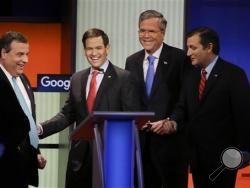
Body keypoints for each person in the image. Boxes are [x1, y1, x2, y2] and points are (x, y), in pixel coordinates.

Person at [38, 28, 139, 188]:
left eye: (98, 48)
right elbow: (67, 114)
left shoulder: (124, 78)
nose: (94, 53)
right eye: (89, 48)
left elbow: (131, 120)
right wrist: (40, 129)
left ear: (107, 48)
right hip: (79, 159)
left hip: (111, 159)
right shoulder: (77, 78)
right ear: (84, 50)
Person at [164, 26, 250, 187]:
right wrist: (172, 121)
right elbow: (182, 106)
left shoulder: (234, 74)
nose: (188, 53)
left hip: (224, 158)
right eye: (188, 47)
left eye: (193, 47)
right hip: (196, 158)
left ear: (209, 47)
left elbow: (244, 115)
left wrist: (243, 151)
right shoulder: (191, 76)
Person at [125, 10, 191, 188]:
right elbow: (132, 100)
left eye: (151, 31)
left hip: (171, 146)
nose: (145, 35)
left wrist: (172, 121)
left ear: (163, 33)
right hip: (141, 146)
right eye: (142, 30)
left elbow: (185, 99)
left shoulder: (180, 59)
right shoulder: (132, 61)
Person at [0, 31, 46, 188]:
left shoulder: (24, 80)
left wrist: (35, 152)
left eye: (27, 54)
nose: (25, 60)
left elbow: (28, 119)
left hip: (23, 167)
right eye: (19, 54)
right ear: (3, 53)